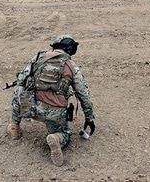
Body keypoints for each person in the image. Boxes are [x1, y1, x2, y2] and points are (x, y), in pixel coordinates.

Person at [7, 35, 95, 166]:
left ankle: (15, 126)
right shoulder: (71, 66)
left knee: (19, 90)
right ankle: (57, 138)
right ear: (70, 49)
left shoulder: (38, 58)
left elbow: (22, 79)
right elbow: (83, 95)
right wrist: (89, 118)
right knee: (65, 133)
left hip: (30, 107)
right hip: (54, 113)